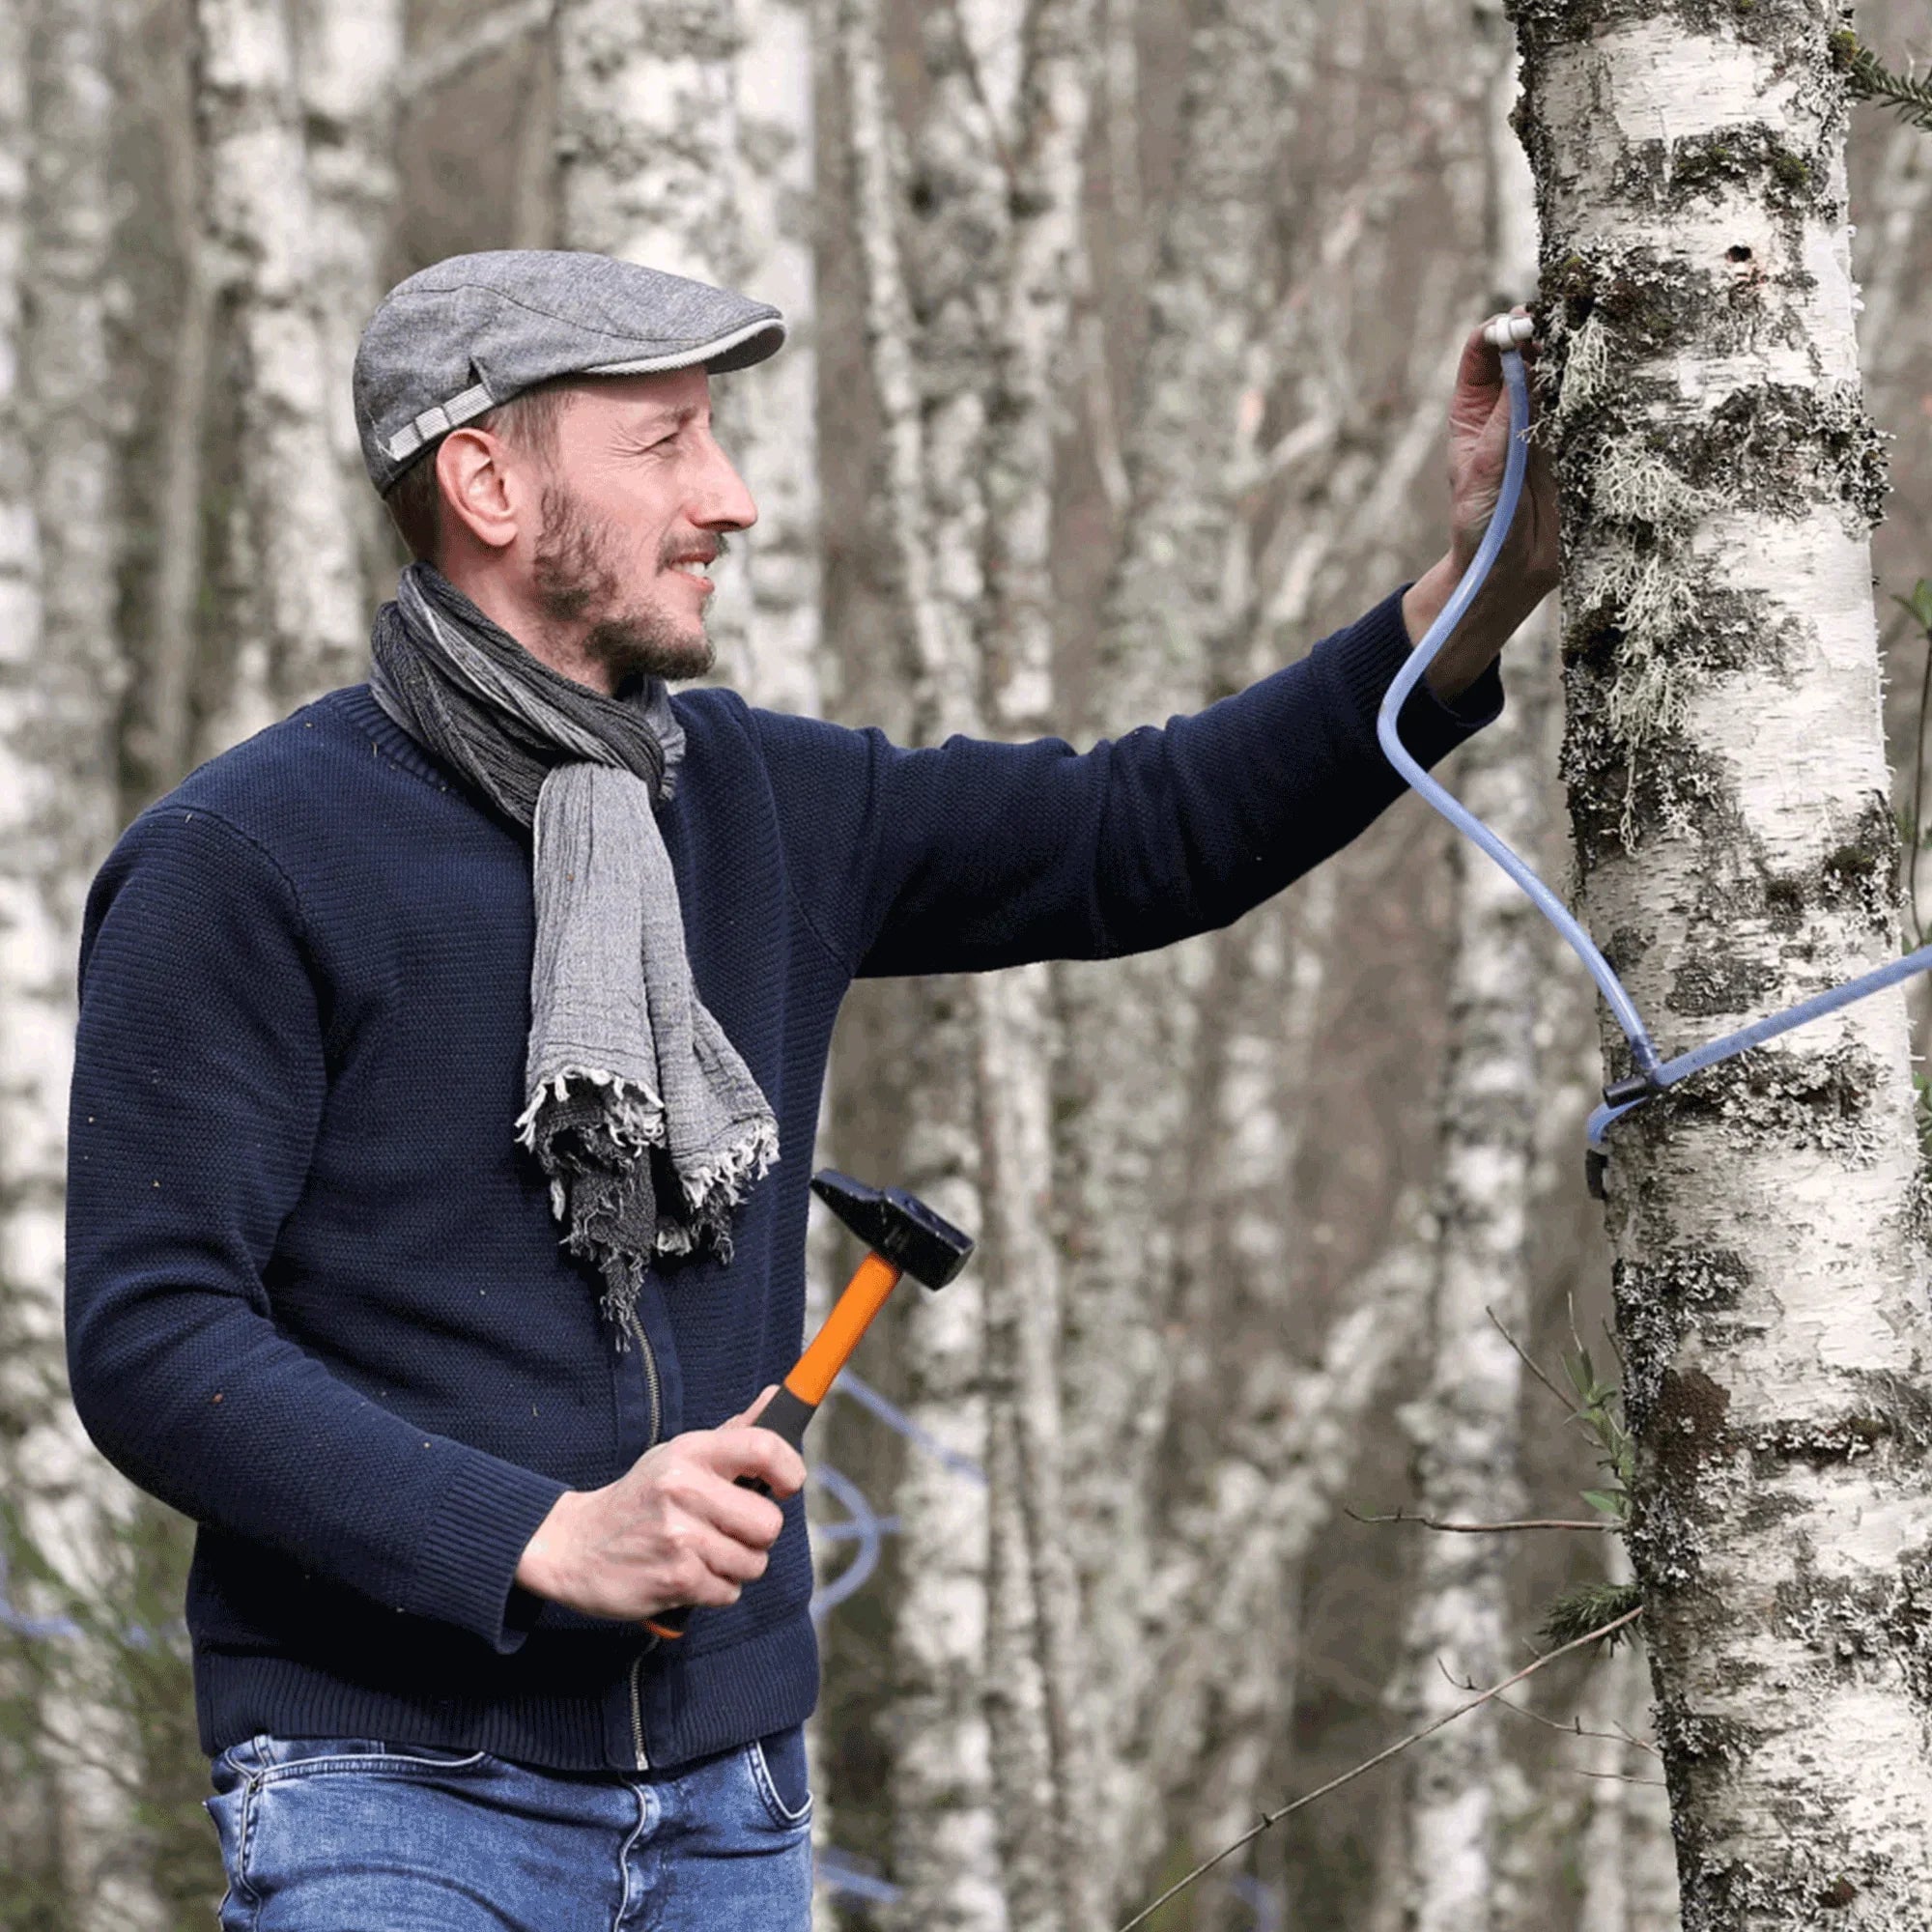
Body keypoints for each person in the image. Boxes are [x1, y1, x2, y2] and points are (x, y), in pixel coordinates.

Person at [64, 250, 1557, 1929]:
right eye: (668, 443)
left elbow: (1148, 833)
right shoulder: (242, 860)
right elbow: (154, 1340)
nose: (734, 498)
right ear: (486, 482)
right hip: (390, 1800)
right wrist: (535, 1536)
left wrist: (1479, 583)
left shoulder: (762, 803)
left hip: (733, 1806)